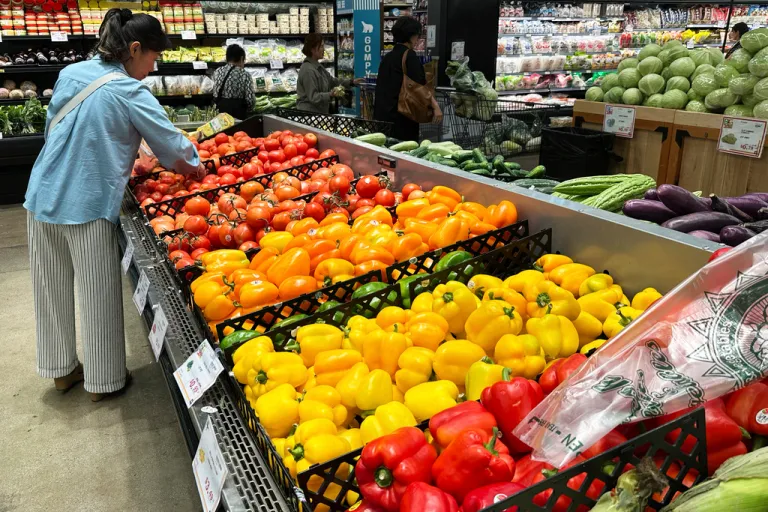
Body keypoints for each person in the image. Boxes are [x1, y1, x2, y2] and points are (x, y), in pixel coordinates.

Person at [23, 8, 203, 402]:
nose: (152, 68)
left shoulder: (71, 74)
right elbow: (173, 148)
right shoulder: (130, 91)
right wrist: (198, 162)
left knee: (49, 289)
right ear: (135, 49)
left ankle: (61, 371)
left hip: (41, 194)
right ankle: (104, 382)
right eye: (153, 58)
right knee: (97, 291)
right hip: (86, 204)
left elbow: (65, 127)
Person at [375, 17, 442, 142]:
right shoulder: (409, 56)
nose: (417, 39)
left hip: (382, 116)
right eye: (417, 35)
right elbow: (420, 87)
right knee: (404, 154)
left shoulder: (387, 57)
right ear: (411, 36)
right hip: (402, 118)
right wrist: (435, 106)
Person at [297, 33, 358, 113]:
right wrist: (330, 94)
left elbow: (332, 81)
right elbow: (314, 97)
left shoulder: (318, 66)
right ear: (312, 49)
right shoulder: (308, 70)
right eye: (321, 46)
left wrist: (351, 82)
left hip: (319, 113)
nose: (324, 49)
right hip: (310, 115)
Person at [213, 44, 256, 119]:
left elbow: (215, 93)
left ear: (227, 58)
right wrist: (248, 110)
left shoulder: (218, 71)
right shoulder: (244, 74)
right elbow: (250, 100)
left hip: (220, 115)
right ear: (241, 58)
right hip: (238, 116)